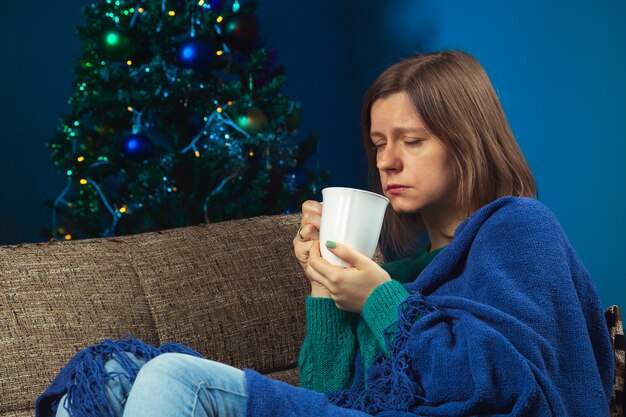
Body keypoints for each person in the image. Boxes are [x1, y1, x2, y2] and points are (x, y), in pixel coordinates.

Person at [38, 50, 614, 417]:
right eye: (379, 142)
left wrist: (378, 298)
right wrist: (324, 282)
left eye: (412, 141)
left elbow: (503, 387)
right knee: (107, 380)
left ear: (466, 142)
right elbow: (327, 390)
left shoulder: (517, 227)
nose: (388, 162)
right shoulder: (406, 270)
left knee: (171, 374)